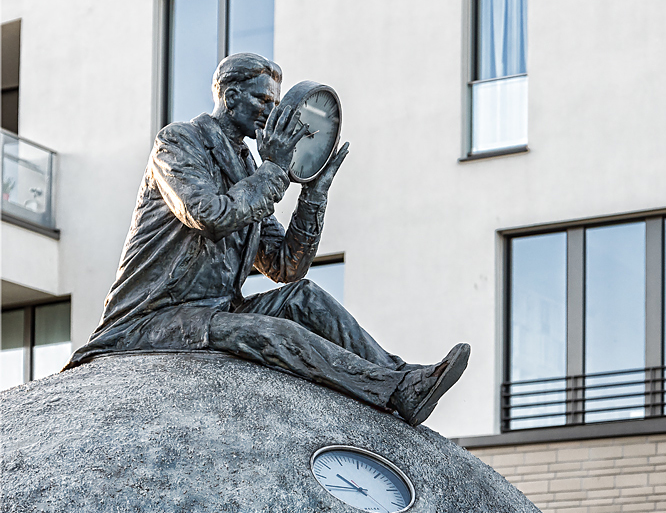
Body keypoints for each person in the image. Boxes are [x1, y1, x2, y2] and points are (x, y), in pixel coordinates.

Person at [66, 52, 468, 427]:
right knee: (274, 334)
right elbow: (210, 215)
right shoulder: (179, 143)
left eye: (275, 104)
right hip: (151, 319)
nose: (273, 114)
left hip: (214, 310)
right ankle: (391, 391)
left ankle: (404, 380)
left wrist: (314, 194)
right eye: (263, 101)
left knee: (304, 297)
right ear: (231, 97)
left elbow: (284, 266)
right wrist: (275, 169)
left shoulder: (247, 166)